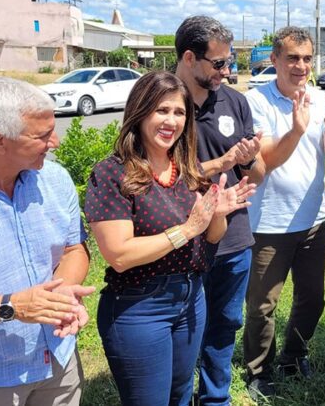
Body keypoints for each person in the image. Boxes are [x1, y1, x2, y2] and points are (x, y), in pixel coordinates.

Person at [84, 71, 255, 406]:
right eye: (161, 110)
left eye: (179, 112)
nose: (171, 121)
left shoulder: (186, 167)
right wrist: (187, 229)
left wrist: (217, 214)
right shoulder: (113, 173)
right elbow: (119, 254)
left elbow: (212, 238)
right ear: (140, 111)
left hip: (191, 298)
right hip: (140, 307)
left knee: (180, 396)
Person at [0, 77, 94, 405]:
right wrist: (12, 307)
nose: (56, 142)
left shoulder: (55, 179)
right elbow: (18, 306)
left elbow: (73, 248)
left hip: (58, 360)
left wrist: (62, 295)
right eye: (42, 135)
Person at [243, 26, 325, 401]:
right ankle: (258, 370)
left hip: (313, 222)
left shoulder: (321, 99)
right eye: (292, 58)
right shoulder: (255, 102)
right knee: (262, 305)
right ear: (274, 60)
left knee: (312, 299)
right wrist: (296, 129)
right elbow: (264, 161)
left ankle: (293, 356)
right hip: (268, 224)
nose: (301, 66)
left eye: (306, 58)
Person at [173, 15, 265, 406]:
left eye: (230, 62)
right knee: (182, 329)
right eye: (219, 63)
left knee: (225, 324)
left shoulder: (235, 101)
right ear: (189, 58)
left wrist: (249, 158)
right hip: (179, 238)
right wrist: (220, 164)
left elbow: (256, 173)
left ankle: (215, 399)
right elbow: (148, 174)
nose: (226, 71)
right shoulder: (160, 102)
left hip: (233, 237)